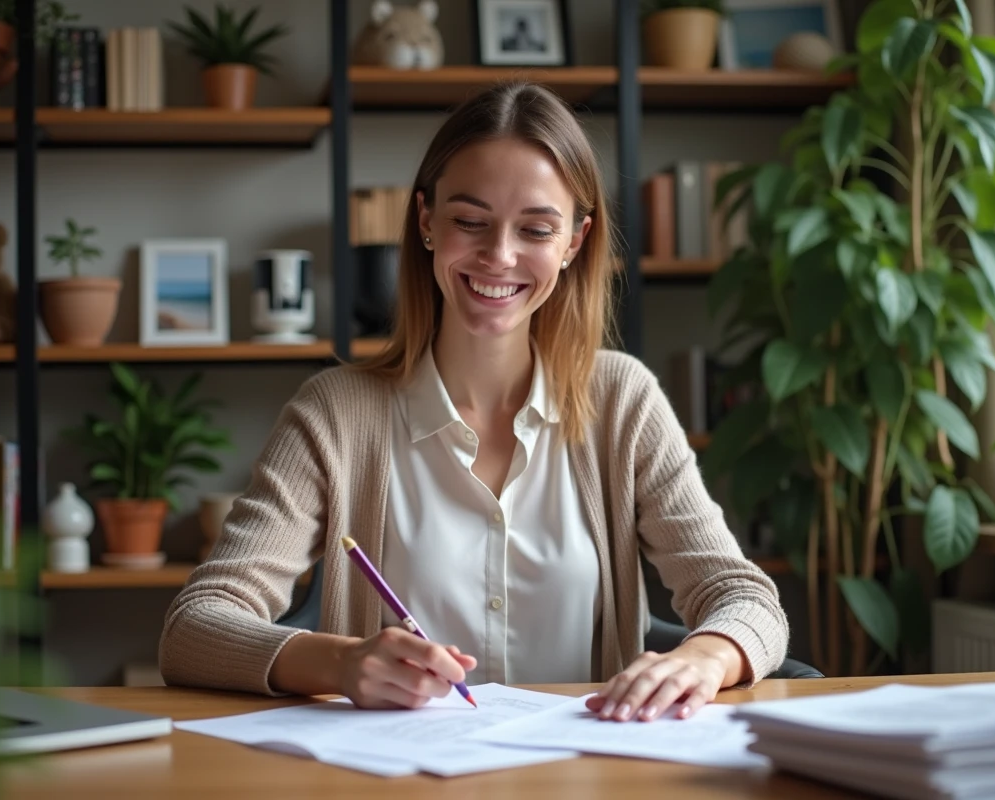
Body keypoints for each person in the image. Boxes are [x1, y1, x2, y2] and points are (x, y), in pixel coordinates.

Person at [158, 81, 789, 723]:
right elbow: (196, 626)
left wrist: (704, 657)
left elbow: (743, 597)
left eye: (537, 229)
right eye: (470, 221)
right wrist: (343, 663)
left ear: (574, 241)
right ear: (427, 221)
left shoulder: (623, 400)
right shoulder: (336, 414)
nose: (499, 256)